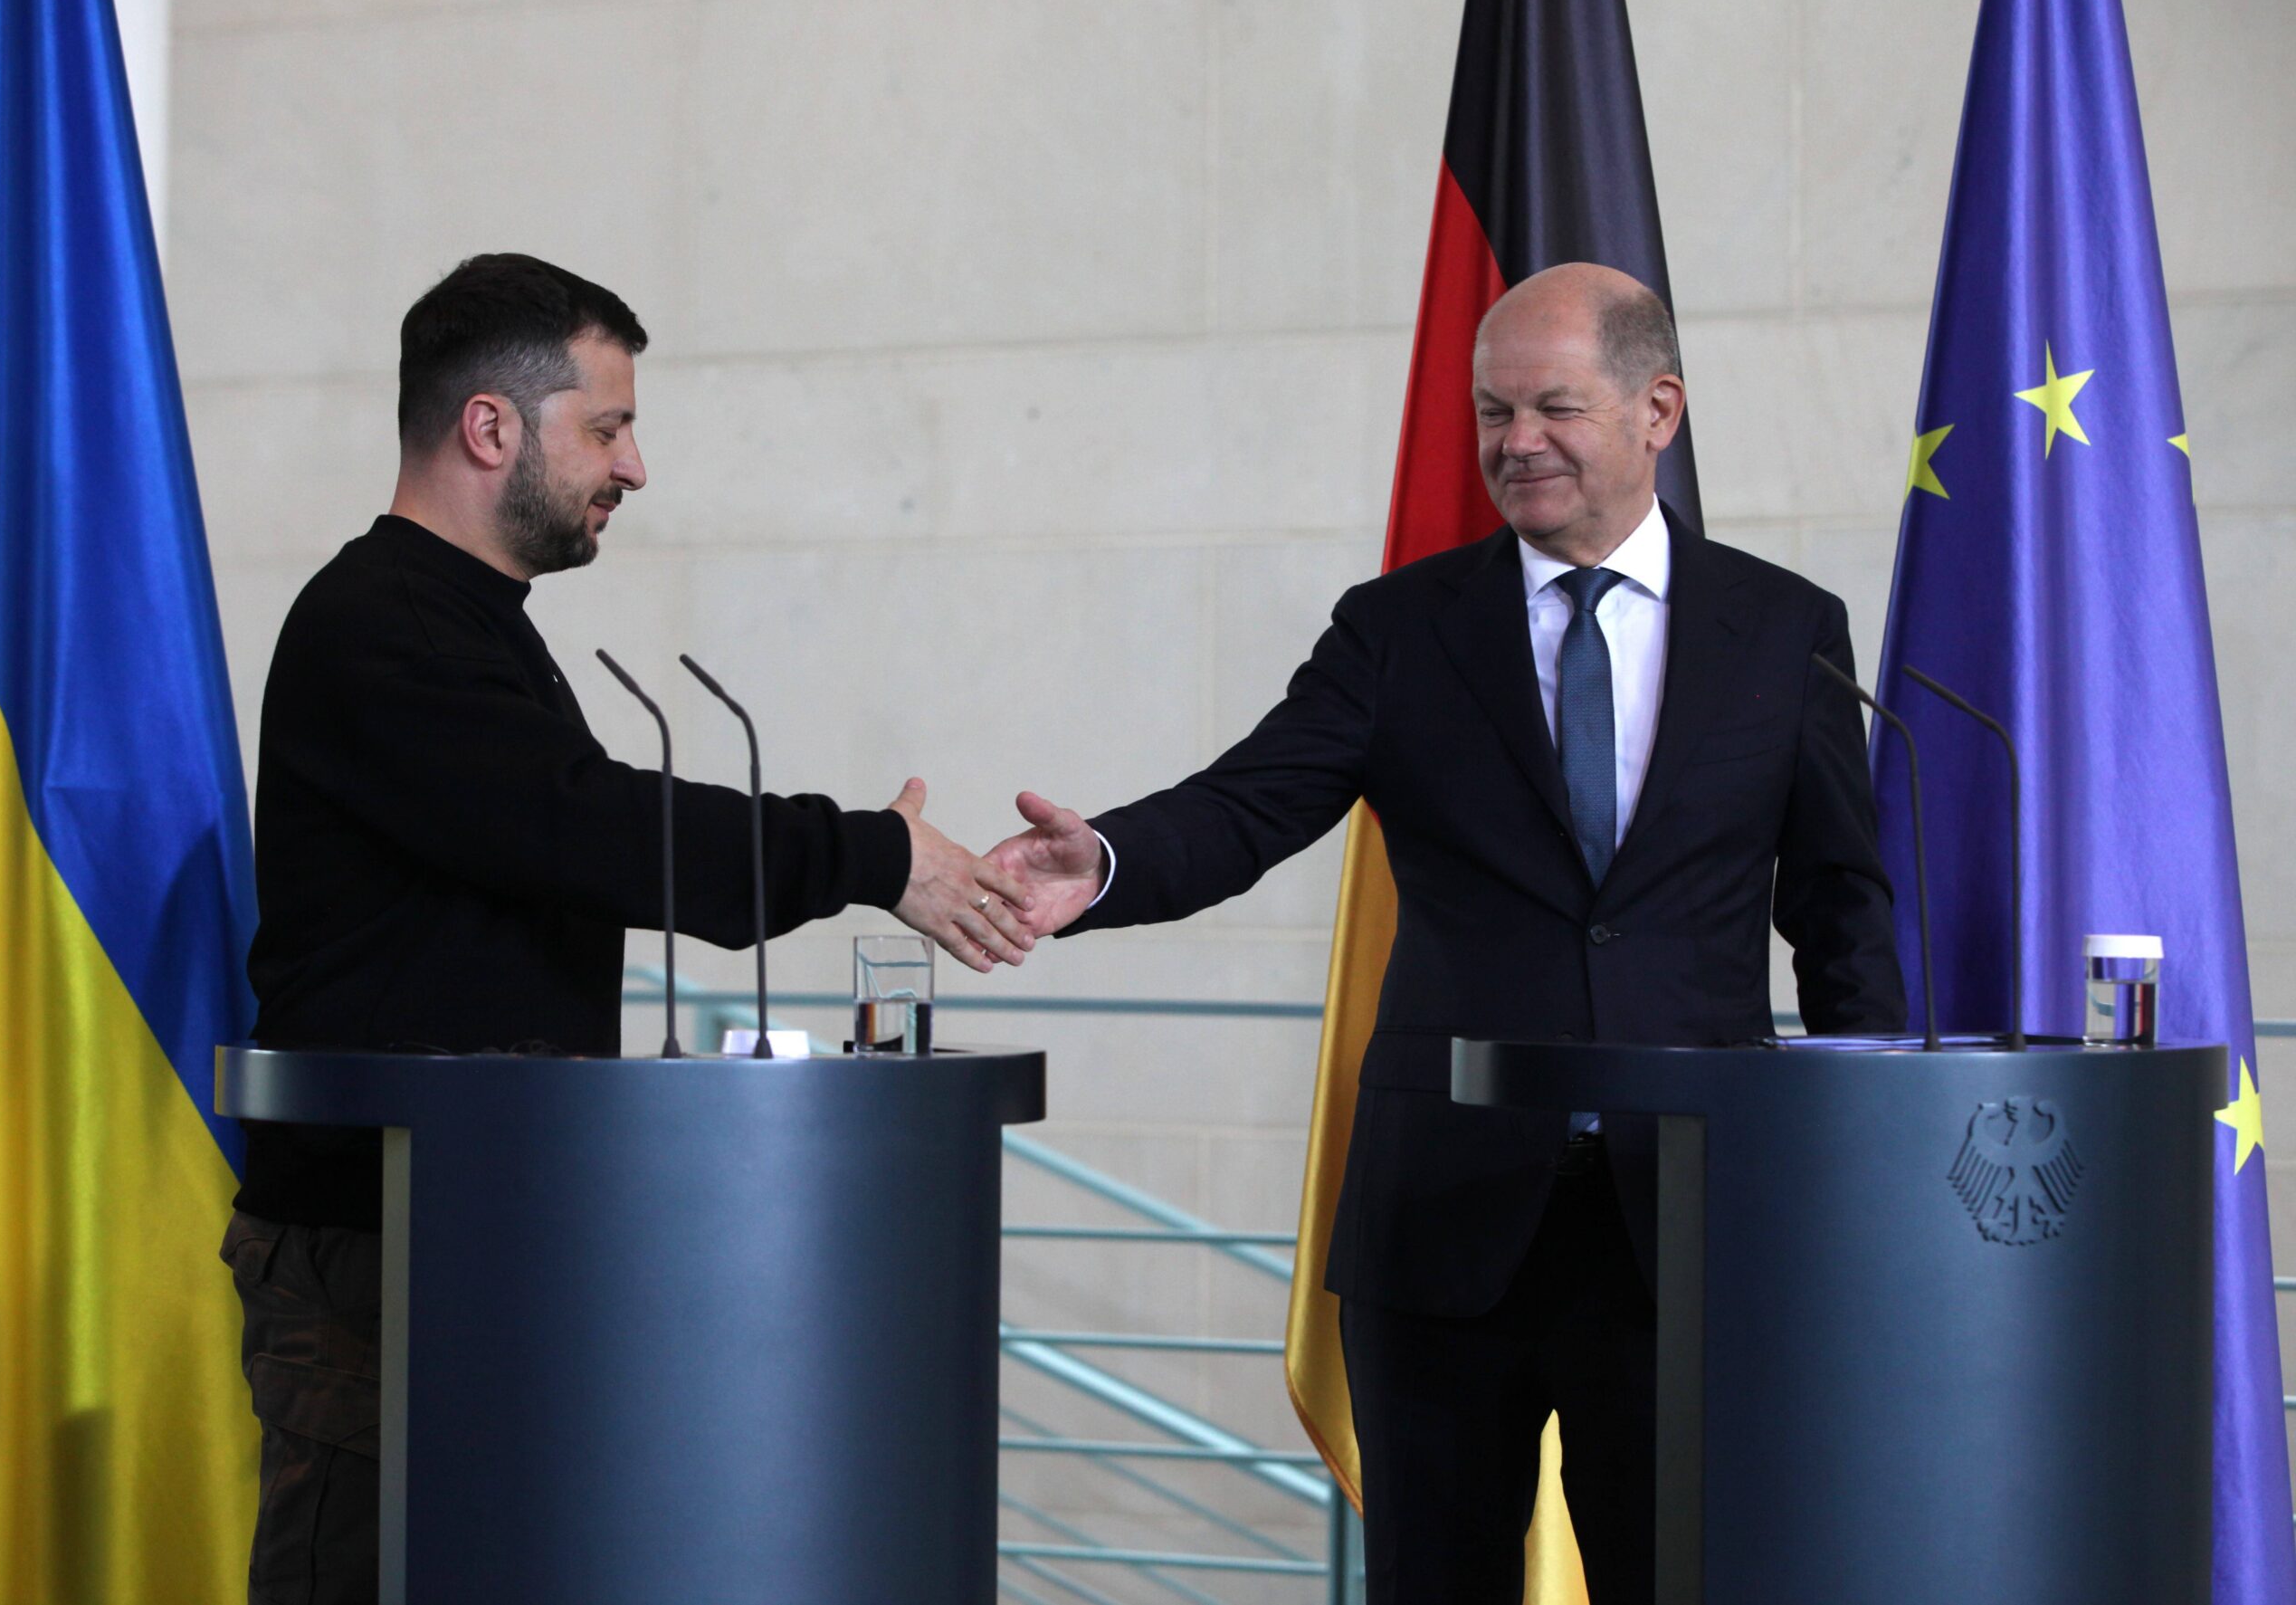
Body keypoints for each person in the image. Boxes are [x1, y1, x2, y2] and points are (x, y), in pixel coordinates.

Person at [985, 263, 1906, 1603]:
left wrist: (1868, 1159)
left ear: (1658, 409)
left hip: (1691, 1226)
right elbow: (1247, 805)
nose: (1515, 441)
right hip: (1442, 1225)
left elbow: (1840, 911)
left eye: (1554, 407)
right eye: (1492, 411)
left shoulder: (1785, 632)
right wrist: (1107, 861)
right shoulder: (1399, 629)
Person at [221, 253, 1034, 1604]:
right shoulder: (376, 622)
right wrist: (869, 854)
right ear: (492, 426)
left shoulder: (472, 623)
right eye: (607, 427)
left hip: (483, 1225)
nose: (635, 467)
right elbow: (584, 826)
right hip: (380, 1251)